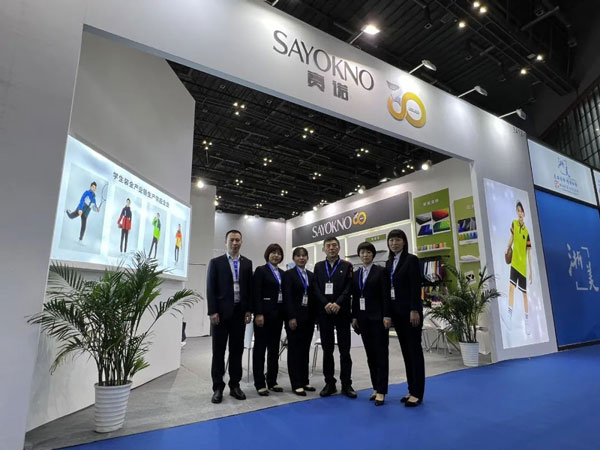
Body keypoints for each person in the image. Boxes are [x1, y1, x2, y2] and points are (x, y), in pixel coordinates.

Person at [207, 230, 253, 404]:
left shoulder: (247, 263)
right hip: (220, 315)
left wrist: (249, 310)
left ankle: (235, 385)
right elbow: (211, 288)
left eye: (237, 240)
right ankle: (218, 387)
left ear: (242, 242)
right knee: (218, 352)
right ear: (225, 242)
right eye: (232, 240)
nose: (235, 243)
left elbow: (249, 288)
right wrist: (212, 311)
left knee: (237, 351)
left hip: (239, 314)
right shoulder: (216, 262)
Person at [385, 229, 425, 407]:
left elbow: (416, 286)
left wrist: (414, 309)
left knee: (414, 352)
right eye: (391, 241)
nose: (394, 243)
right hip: (397, 314)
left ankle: (418, 392)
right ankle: (411, 389)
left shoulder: (411, 260)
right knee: (406, 353)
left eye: (397, 240)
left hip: (411, 313)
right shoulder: (389, 263)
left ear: (404, 241)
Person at [313, 236, 356, 398]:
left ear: (339, 248)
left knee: (345, 350)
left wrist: (338, 303)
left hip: (342, 312)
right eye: (328, 246)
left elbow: (349, 287)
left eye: (334, 245)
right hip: (324, 313)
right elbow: (315, 287)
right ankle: (329, 383)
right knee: (327, 350)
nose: (331, 248)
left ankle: (346, 384)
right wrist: (325, 303)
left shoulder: (347, 265)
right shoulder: (318, 266)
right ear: (324, 248)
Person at [351, 242, 390, 406]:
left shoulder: (381, 271)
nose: (365, 255)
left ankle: (382, 390)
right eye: (362, 252)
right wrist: (354, 316)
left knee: (381, 355)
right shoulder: (356, 274)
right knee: (370, 355)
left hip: (379, 319)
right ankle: (375, 387)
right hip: (363, 319)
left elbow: (386, 295)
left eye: (368, 252)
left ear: (373, 255)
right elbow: (355, 297)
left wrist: (387, 315)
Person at [283, 247, 318, 396]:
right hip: (294, 319)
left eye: (304, 256)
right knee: (294, 351)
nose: (301, 258)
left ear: (307, 258)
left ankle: (304, 380)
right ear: (294, 258)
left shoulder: (311, 275)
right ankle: (296, 383)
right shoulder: (288, 275)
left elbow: (314, 297)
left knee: (305, 350)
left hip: (308, 318)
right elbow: (287, 297)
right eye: (298, 256)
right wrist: (291, 317)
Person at [252, 243, 286, 396]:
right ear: (268, 254)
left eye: (279, 253)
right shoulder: (261, 270)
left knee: (274, 350)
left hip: (278, 316)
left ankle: (272, 380)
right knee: (260, 350)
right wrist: (258, 314)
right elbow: (256, 293)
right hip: (263, 316)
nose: (276, 255)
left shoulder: (283, 273)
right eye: (273, 252)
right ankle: (259, 383)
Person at [504, 201, 533, 335]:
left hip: (523, 267)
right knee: (511, 288)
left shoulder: (527, 232)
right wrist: (507, 247)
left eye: (521, 211)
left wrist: (531, 271)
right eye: (518, 211)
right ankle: (509, 317)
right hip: (514, 263)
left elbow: (529, 253)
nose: (519, 213)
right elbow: (512, 237)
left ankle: (527, 322)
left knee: (524, 294)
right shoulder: (514, 224)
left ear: (524, 213)